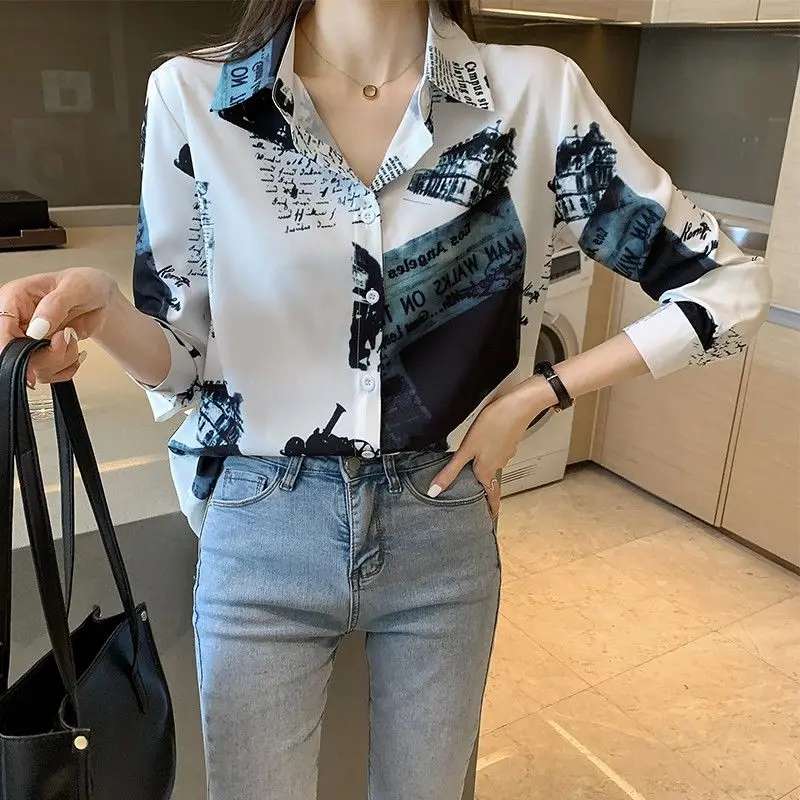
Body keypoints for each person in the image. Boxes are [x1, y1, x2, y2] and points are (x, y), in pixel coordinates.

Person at [0, 1, 771, 798]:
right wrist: (107, 309)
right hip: (262, 528)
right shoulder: (198, 97)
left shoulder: (536, 94)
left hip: (442, 517)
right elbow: (185, 364)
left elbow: (731, 289)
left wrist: (534, 396)